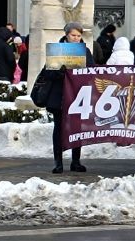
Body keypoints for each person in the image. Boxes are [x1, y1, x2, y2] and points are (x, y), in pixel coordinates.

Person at [38, 23, 96, 174]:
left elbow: (92, 71)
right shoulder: (57, 50)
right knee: (59, 128)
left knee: (76, 128)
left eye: (78, 36)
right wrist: (60, 72)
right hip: (59, 95)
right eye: (73, 35)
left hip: (77, 95)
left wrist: (81, 72)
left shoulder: (85, 51)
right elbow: (48, 74)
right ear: (66, 35)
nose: (76, 38)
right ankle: (58, 162)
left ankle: (75, 161)